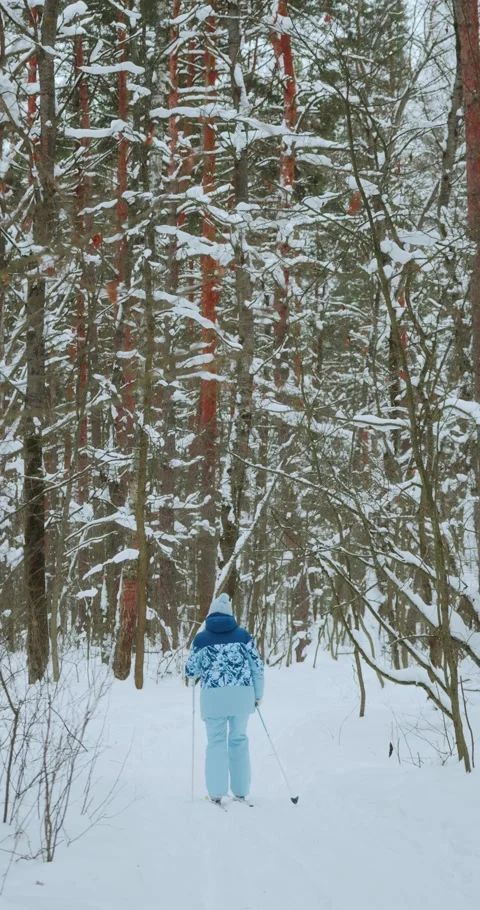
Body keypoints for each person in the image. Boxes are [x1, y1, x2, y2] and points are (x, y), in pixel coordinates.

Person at [185, 592, 264, 805]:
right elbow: (257, 666)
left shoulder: (201, 639)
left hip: (213, 700)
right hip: (241, 697)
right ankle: (240, 790)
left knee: (216, 742)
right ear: (231, 614)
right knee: (239, 740)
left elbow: (191, 671)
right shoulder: (243, 636)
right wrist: (258, 695)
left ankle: (216, 792)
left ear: (210, 614)